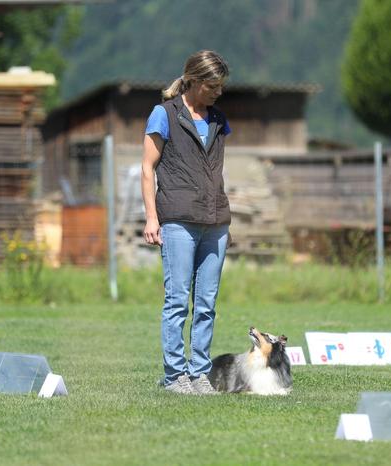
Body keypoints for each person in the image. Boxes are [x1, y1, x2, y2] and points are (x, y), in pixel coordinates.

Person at [140, 50, 232, 395]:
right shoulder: (164, 114)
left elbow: (215, 173)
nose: (217, 92)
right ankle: (174, 376)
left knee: (207, 303)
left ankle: (199, 374)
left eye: (220, 87)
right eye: (212, 86)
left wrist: (223, 220)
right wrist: (152, 217)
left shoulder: (219, 119)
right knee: (178, 300)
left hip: (215, 222)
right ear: (193, 81)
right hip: (177, 219)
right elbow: (147, 168)